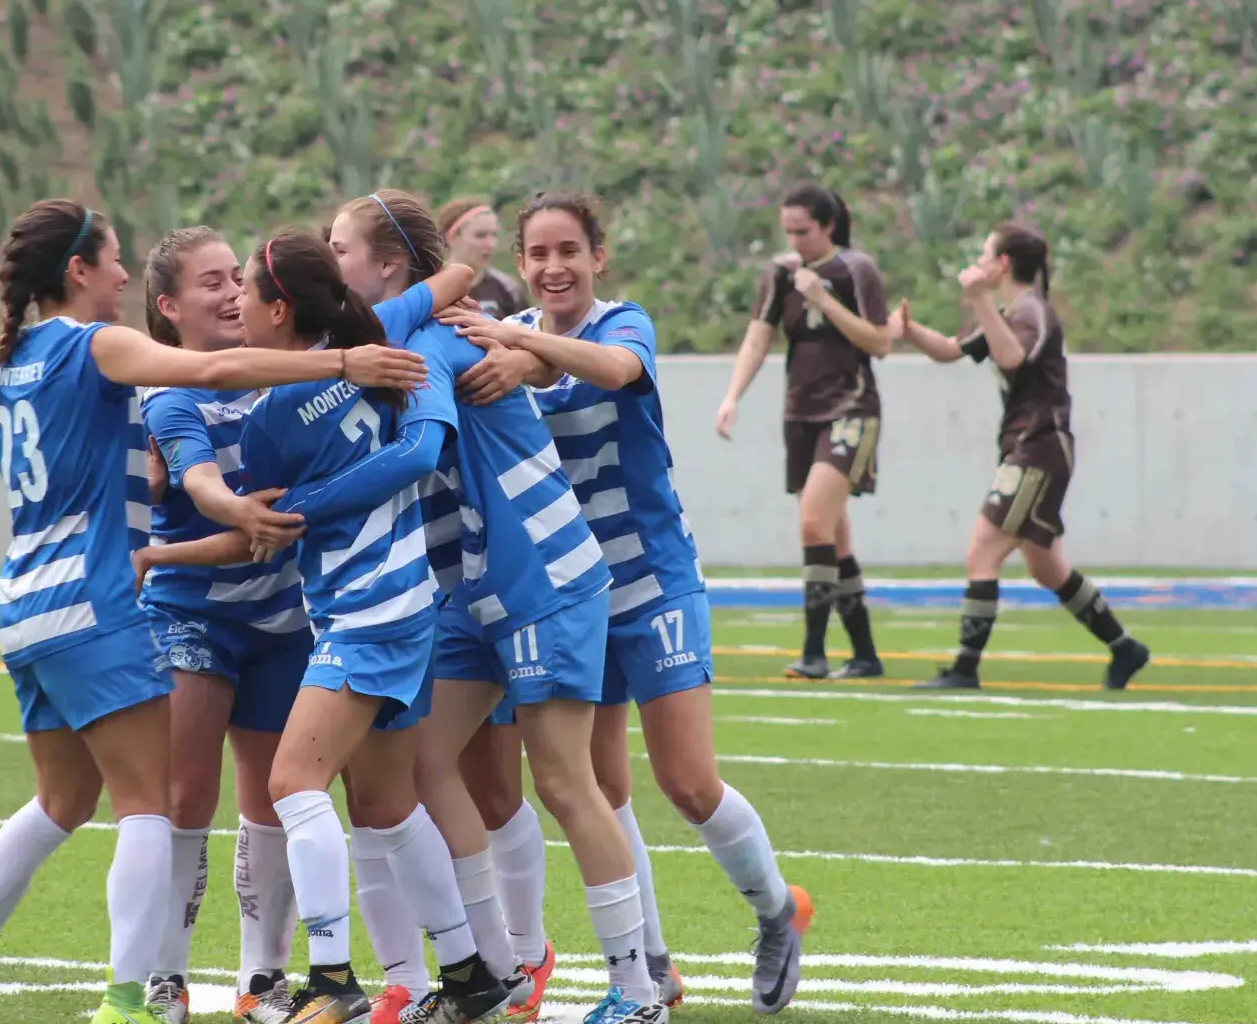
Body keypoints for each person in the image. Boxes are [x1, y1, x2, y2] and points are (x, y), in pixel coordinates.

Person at [0, 200, 427, 1024]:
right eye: (112, 261)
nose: (121, 274)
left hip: (26, 605)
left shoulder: (5, 365)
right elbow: (213, 376)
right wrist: (344, 366)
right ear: (78, 272)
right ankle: (133, 996)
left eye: (235, 278)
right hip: (98, 602)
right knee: (152, 805)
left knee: (61, 804)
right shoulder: (97, 345)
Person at [445, 190, 815, 1018]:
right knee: (600, 786)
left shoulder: (622, 324)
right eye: (537, 254)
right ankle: (651, 967)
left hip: (651, 580)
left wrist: (515, 337)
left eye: (568, 250)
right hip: (574, 595)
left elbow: (615, 372)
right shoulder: (516, 352)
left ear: (598, 257)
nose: (553, 267)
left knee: (686, 782)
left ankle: (775, 912)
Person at [140, 228, 510, 1024]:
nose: (237, 298)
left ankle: (332, 977)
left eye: (243, 285)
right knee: (387, 802)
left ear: (280, 310)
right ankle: (473, 974)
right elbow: (443, 287)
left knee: (289, 785)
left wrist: (159, 553)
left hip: (362, 612)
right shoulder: (381, 345)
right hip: (414, 600)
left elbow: (261, 528)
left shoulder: (274, 419)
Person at [334, 190, 661, 1024]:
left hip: (539, 575)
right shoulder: (397, 337)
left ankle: (636, 989)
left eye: (340, 250)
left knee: (563, 781)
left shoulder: (437, 337)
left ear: (390, 267)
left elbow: (418, 452)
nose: (330, 264)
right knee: (422, 765)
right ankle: (496, 967)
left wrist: (307, 499)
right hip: (473, 588)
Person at [131, 227, 311, 1024]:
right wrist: (233, 518)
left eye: (237, 276)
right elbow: (202, 481)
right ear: (169, 309)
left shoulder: (282, 374)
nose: (234, 291)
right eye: (211, 282)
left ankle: (260, 981)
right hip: (192, 614)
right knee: (184, 797)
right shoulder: (170, 395)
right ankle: (164, 977)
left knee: (273, 799)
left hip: (280, 616)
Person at [886, 223, 1152, 691]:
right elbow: (952, 350)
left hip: (1039, 447)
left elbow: (1011, 358)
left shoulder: (1030, 312)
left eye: (986, 253)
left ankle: (965, 667)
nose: (980, 260)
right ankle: (1125, 647)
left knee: (982, 548)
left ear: (1003, 264)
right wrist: (910, 331)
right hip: (1030, 447)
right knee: (1047, 568)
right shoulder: (1009, 311)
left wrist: (979, 300)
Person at [713, 184, 891, 681]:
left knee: (814, 522)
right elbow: (758, 336)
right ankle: (866, 655)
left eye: (803, 231)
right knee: (833, 535)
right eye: (787, 230)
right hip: (800, 414)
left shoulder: (857, 269)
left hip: (853, 410)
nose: (794, 239)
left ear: (828, 226)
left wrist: (823, 299)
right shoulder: (779, 272)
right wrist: (732, 397)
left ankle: (814, 652)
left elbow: (880, 342)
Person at [437, 197, 526, 318]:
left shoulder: (508, 289)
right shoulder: (430, 285)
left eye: (494, 235)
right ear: (452, 238)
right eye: (481, 235)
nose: (491, 244)